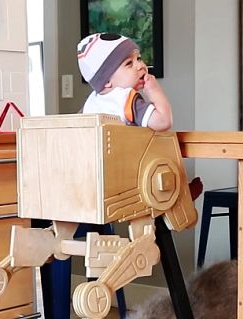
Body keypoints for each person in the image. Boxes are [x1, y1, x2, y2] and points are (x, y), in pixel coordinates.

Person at [76, 32, 202, 198]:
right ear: (106, 81)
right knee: (164, 143)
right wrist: (154, 91)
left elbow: (75, 129)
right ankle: (178, 192)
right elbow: (163, 121)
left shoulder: (90, 104)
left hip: (95, 177)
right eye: (129, 63)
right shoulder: (127, 99)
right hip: (129, 175)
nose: (141, 66)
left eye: (139, 58)